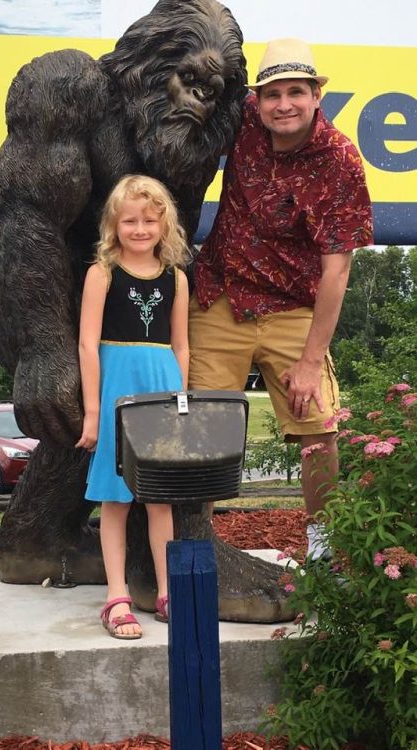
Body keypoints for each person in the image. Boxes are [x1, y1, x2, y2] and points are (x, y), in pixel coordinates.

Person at [189, 38, 373, 562]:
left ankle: (324, 549)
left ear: (317, 95)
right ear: (258, 101)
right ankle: (195, 549)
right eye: (272, 94)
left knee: (318, 428)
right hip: (220, 297)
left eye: (296, 91)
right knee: (201, 428)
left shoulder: (340, 161)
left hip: (295, 309)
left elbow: (337, 269)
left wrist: (312, 361)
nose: (283, 104)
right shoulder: (244, 120)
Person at [76, 174, 190, 638]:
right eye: (129, 221)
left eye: (149, 220)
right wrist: (91, 412)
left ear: (165, 225)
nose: (140, 229)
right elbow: (86, 344)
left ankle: (167, 592)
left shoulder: (176, 278)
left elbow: (181, 346)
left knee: (160, 500)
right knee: (115, 500)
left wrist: (181, 406)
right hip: (116, 392)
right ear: (113, 225)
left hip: (161, 388)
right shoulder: (101, 273)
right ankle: (116, 595)